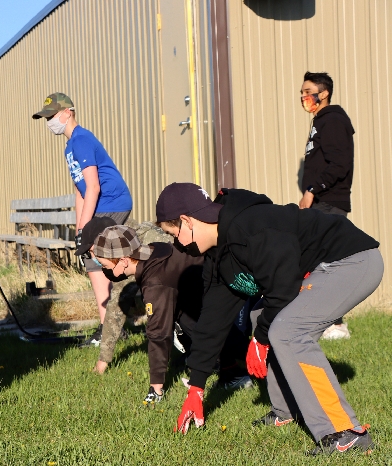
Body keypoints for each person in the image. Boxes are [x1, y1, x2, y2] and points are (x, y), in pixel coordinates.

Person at [156, 182, 381, 456]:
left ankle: (345, 432)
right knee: (259, 314)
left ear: (187, 221)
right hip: (318, 270)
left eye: (174, 234)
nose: (176, 243)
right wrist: (197, 387)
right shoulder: (216, 260)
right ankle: (285, 409)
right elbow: (211, 323)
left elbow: (283, 286)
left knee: (287, 331)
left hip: (351, 259)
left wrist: (260, 340)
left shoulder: (251, 225)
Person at [90, 224, 253, 404]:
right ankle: (233, 374)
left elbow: (159, 334)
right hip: (202, 293)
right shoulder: (152, 250)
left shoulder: (155, 282)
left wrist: (156, 388)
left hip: (230, 283)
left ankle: (258, 365)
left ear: (124, 260)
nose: (104, 271)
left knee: (215, 333)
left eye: (104, 265)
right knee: (191, 324)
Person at [33, 93, 133, 347]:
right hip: (100, 204)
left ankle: (111, 327)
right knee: (93, 260)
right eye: (46, 118)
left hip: (112, 202)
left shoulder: (82, 139)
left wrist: (87, 228)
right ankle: (108, 327)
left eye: (52, 115)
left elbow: (94, 187)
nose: (49, 122)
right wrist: (80, 228)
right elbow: (80, 190)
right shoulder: (70, 146)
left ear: (68, 112)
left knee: (100, 260)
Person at [298, 71, 356, 340]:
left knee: (328, 263)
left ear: (324, 94)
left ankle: (335, 325)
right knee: (318, 260)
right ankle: (325, 321)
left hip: (329, 203)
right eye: (301, 92)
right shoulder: (320, 121)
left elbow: (339, 164)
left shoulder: (332, 120)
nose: (303, 97)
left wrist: (311, 190)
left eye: (307, 91)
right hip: (321, 203)